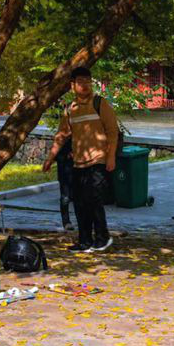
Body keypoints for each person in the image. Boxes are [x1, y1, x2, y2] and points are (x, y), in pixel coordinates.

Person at [43, 67, 120, 252]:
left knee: (94, 199)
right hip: (78, 163)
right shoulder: (70, 109)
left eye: (87, 81)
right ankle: (84, 241)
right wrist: (50, 157)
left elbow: (112, 132)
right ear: (72, 85)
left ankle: (102, 237)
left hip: (98, 160)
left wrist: (111, 157)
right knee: (79, 203)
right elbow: (61, 135)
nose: (84, 85)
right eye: (80, 82)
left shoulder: (100, 103)